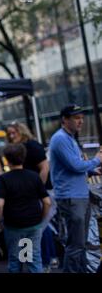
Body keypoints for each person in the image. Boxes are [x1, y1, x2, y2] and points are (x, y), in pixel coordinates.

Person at [49, 104, 102, 273]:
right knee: (76, 245)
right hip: (72, 198)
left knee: (81, 244)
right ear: (65, 120)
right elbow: (75, 165)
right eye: (76, 118)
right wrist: (97, 160)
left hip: (78, 196)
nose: (80, 122)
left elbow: (74, 168)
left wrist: (93, 170)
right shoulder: (60, 138)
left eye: (82, 118)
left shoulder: (69, 138)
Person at [5, 121, 58, 271]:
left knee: (39, 227)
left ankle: (46, 261)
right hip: (36, 193)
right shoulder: (18, 149)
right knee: (37, 227)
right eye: (8, 133)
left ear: (21, 131)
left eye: (13, 132)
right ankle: (43, 261)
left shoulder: (32, 146)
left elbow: (45, 168)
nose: (11, 135)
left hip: (43, 192)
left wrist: (36, 190)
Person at [0, 143, 51, 273]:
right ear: (24, 157)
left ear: (6, 160)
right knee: (33, 259)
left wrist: (0, 223)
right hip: (33, 225)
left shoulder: (3, 179)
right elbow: (47, 202)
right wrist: (41, 220)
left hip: (13, 226)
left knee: (15, 261)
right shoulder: (34, 176)